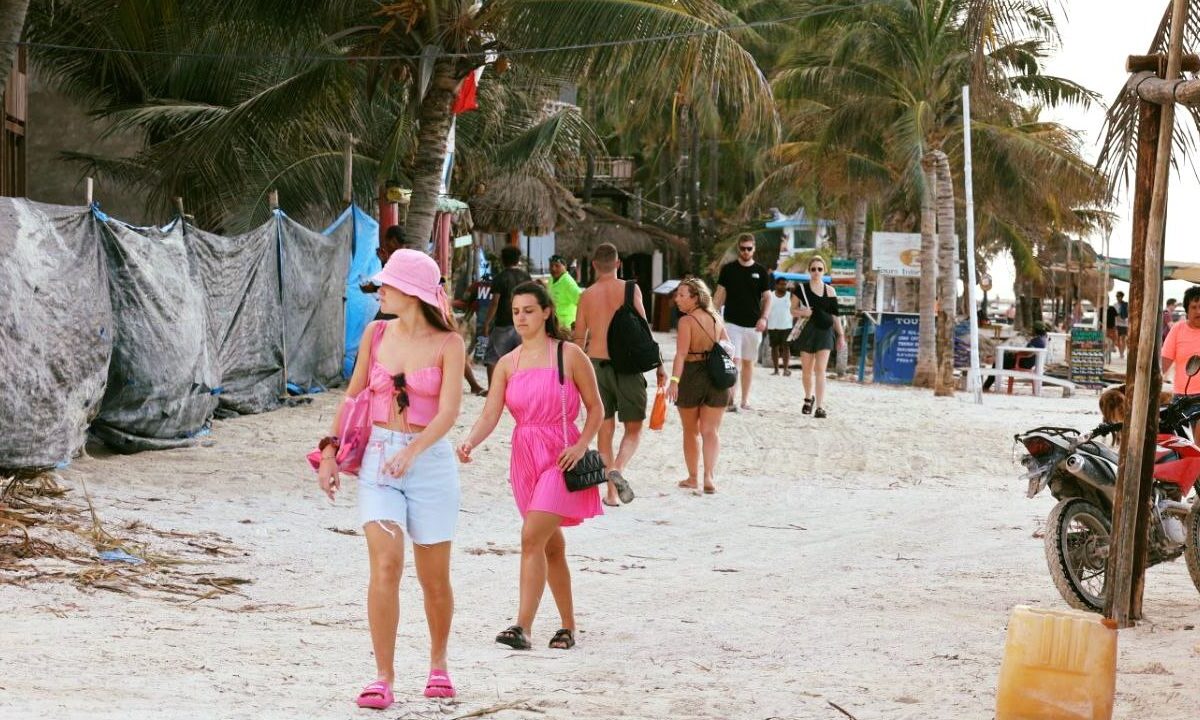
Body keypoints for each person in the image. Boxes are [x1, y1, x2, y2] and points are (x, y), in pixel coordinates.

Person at [316, 250, 466, 708]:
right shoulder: (376, 333)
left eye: (388, 284)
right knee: (385, 564)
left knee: (433, 578)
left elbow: (449, 412)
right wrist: (329, 451)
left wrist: (416, 451)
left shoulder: (449, 344)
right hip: (381, 459)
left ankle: (438, 663)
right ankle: (383, 675)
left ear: (414, 293)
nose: (380, 291)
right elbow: (354, 393)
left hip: (430, 462)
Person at [456, 282, 605, 651]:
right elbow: (491, 412)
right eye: (516, 311)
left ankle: (522, 626)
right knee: (551, 547)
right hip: (524, 455)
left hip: (561, 455)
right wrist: (471, 440)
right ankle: (568, 625)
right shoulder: (508, 363)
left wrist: (581, 444)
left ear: (546, 313)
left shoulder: (568, 355)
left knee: (530, 538)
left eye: (529, 310)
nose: (521, 317)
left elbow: (597, 408)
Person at [573, 243, 661, 506]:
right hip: (629, 366)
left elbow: (579, 338)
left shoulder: (586, 295)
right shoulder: (630, 289)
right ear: (618, 263)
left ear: (594, 266)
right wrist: (659, 365)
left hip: (596, 366)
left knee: (605, 428)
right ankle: (618, 469)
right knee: (633, 430)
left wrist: (576, 373)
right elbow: (643, 328)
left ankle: (610, 494)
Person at [665, 278, 731, 494]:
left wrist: (674, 381)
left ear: (695, 297)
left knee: (690, 431)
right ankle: (709, 476)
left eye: (682, 295)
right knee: (711, 431)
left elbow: (681, 355)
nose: (677, 299)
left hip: (692, 376)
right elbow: (728, 348)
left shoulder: (686, 322)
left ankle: (693, 478)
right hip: (716, 376)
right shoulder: (716, 318)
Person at [714, 233, 771, 411]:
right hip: (732, 323)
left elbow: (768, 298)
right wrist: (713, 315)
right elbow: (719, 295)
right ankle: (731, 399)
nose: (746, 252)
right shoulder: (728, 269)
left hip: (753, 325)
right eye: (743, 248)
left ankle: (745, 400)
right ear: (738, 248)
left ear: (754, 249)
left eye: (749, 249)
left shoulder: (761, 272)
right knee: (733, 360)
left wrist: (764, 318)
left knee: (748, 362)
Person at [792, 257, 846, 417]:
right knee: (807, 371)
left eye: (819, 269)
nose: (816, 272)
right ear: (809, 271)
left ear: (824, 271)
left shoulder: (830, 291)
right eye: (813, 269)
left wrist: (841, 335)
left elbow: (836, 316)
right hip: (808, 331)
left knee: (820, 370)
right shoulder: (801, 289)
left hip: (825, 332)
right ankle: (808, 398)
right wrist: (803, 312)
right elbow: (792, 309)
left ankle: (820, 407)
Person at [483, 246, 532, 386]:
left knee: (493, 357)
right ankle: (522, 387)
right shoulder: (526, 277)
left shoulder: (500, 278)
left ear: (502, 260)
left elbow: (495, 303)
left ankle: (493, 388)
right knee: (522, 358)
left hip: (503, 324)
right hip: (523, 323)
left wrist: (487, 323)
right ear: (518, 259)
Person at [983, 321, 1048, 391]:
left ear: (1035, 330)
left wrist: (1016, 353)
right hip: (1027, 362)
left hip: (1023, 362)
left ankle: (987, 386)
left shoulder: (1038, 341)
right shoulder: (1041, 339)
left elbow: (1028, 352)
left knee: (998, 362)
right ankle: (987, 384)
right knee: (1001, 358)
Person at [1163, 287, 1200, 396]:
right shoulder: (1178, 329)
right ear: (1187, 310)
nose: (1198, 311)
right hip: (1182, 397)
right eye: (1194, 307)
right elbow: (1164, 363)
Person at [547, 254, 582, 336]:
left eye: (557, 266)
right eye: (551, 266)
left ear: (565, 266)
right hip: (553, 326)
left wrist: (579, 323)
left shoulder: (568, 283)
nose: (553, 269)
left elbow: (582, 302)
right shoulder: (551, 279)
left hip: (565, 329)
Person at [766, 275, 794, 376]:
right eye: (781, 284)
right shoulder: (770, 295)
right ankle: (776, 370)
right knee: (774, 348)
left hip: (787, 325)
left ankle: (786, 369)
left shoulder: (790, 296)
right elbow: (765, 309)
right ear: (776, 285)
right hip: (772, 325)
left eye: (785, 284)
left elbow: (794, 309)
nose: (783, 286)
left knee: (786, 348)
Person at [1114, 290, 1129, 358]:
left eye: (1119, 296)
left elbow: (1128, 313)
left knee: (1123, 339)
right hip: (1117, 324)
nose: (1117, 297)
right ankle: (1120, 352)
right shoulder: (1115, 305)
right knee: (1118, 339)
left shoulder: (1126, 305)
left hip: (1124, 324)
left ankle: (1122, 353)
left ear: (1122, 297)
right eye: (1117, 296)